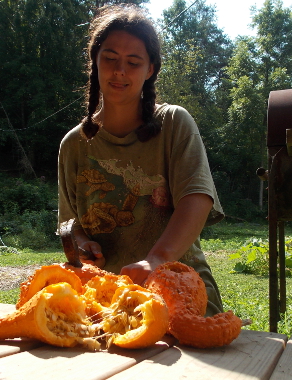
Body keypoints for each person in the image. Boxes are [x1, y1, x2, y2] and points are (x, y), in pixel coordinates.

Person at [58, 4, 225, 316]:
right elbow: (70, 225)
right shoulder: (73, 145)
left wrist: (157, 259)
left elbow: (198, 198)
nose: (119, 71)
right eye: (110, 58)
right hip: (107, 305)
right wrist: (81, 245)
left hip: (181, 297)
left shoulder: (174, 123)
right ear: (95, 61)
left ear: (150, 70)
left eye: (133, 62)